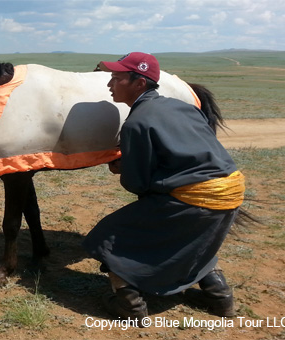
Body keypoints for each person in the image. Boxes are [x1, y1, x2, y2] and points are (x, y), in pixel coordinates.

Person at [83, 52, 245, 324]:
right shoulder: (180, 106)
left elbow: (137, 184)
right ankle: (220, 296)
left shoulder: (136, 123)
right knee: (190, 238)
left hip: (196, 196)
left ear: (139, 84)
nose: (110, 84)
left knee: (107, 236)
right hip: (231, 190)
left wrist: (124, 166)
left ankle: (129, 305)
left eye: (117, 78)